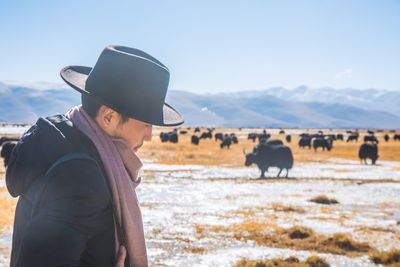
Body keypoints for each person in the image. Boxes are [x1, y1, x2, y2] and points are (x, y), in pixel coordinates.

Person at [6, 45, 184, 267]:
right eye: (146, 123)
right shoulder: (80, 179)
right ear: (109, 116)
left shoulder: (69, 144)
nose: (149, 136)